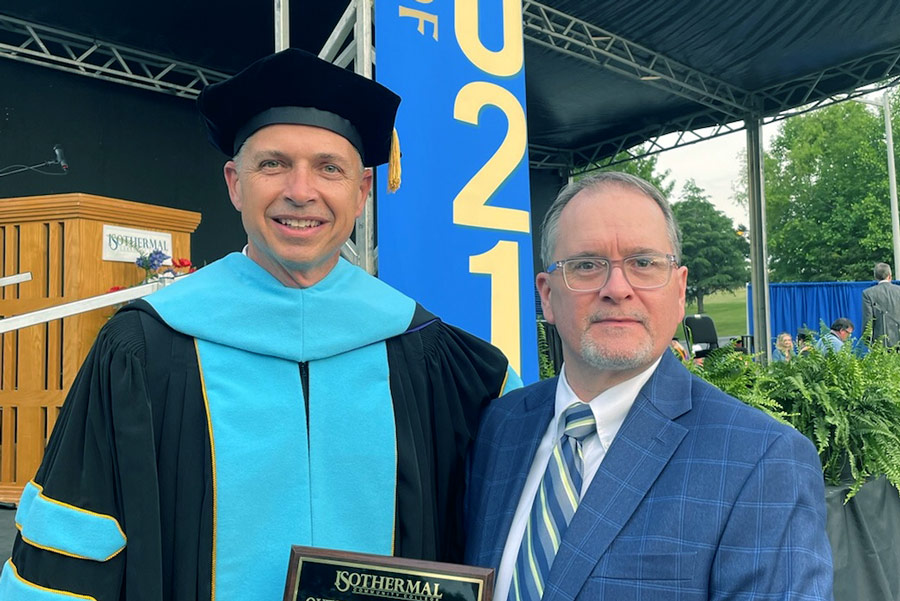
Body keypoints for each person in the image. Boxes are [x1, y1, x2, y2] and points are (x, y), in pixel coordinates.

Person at [2, 48, 520, 601]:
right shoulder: (146, 347)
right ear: (234, 183)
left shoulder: (439, 360)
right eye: (273, 164)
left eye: (330, 167)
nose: (301, 191)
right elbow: (73, 543)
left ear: (362, 191)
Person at [465, 172, 833, 600]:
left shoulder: (763, 461)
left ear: (679, 292)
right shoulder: (499, 426)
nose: (616, 289)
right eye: (586, 265)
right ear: (546, 295)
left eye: (643, 263)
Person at [862, 262, 900, 347]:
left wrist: (868, 341)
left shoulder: (868, 293)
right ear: (890, 276)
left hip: (880, 343)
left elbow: (868, 320)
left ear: (875, 277)